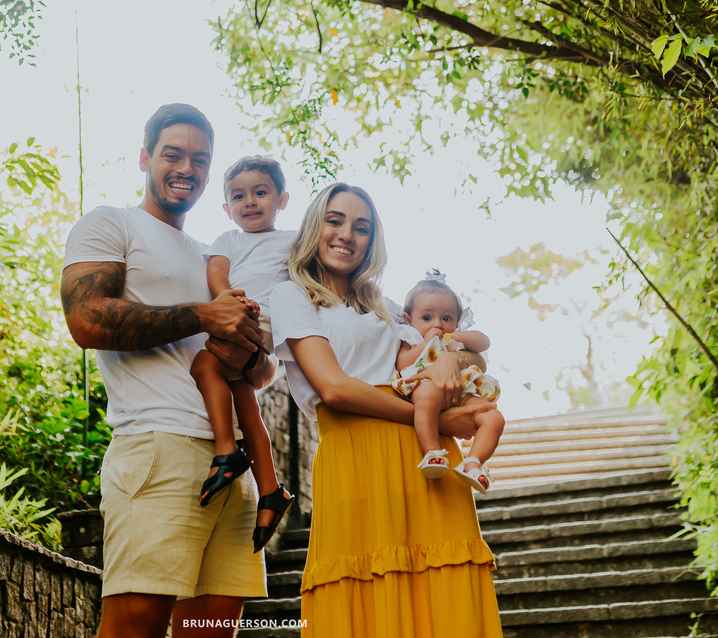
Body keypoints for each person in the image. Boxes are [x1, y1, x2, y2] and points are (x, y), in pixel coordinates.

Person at [61, 104, 275, 638]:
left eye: (200, 159)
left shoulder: (214, 257)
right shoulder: (110, 223)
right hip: (158, 450)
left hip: (234, 467)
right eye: (172, 154)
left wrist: (250, 349)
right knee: (136, 627)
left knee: (210, 629)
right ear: (145, 158)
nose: (186, 167)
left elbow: (262, 375)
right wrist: (205, 315)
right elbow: (86, 320)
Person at [269, 182, 502, 637]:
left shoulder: (387, 305)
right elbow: (333, 388)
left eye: (361, 227)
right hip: (357, 453)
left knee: (444, 587)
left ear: (372, 240)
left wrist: (454, 356)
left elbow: (466, 356)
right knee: (362, 587)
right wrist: (432, 416)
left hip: (425, 459)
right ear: (315, 226)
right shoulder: (292, 296)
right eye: (334, 221)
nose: (346, 235)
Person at [191, 155, 296, 552]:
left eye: (261, 192)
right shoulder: (228, 239)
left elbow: (308, 278)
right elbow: (216, 270)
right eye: (238, 196)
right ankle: (270, 489)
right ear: (226, 207)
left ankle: (226, 452)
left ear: (281, 199)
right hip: (234, 311)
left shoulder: (292, 240)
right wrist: (225, 296)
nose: (249, 201)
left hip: (262, 319)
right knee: (242, 397)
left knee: (205, 364)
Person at [394, 272, 505, 492]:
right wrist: (425, 344)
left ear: (456, 319)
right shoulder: (410, 338)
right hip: (427, 387)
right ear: (409, 319)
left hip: (461, 394)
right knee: (426, 395)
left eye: (446, 318)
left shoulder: (454, 337)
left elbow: (483, 342)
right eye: (427, 318)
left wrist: (450, 338)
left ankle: (473, 462)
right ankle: (432, 452)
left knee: (494, 418)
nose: (438, 324)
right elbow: (402, 364)